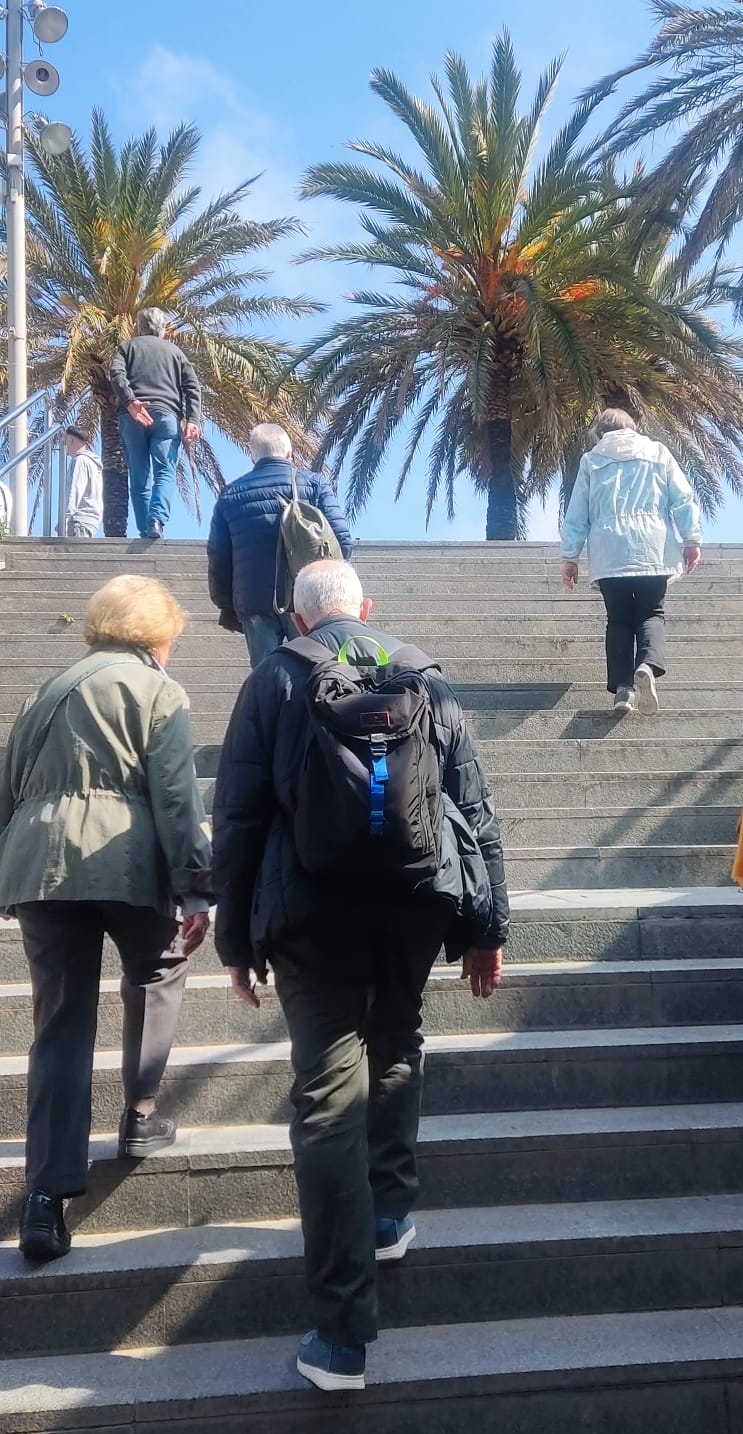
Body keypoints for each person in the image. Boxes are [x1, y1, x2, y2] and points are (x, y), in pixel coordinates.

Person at [212, 559, 508, 1393]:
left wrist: (234, 941)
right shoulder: (423, 675)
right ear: (366, 609)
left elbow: (237, 816)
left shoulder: (276, 678)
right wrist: (488, 929)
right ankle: (389, 1213)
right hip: (417, 901)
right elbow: (473, 806)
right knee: (399, 1036)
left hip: (310, 907)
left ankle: (341, 1337)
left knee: (326, 1095)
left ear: (299, 619)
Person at [0, 575, 212, 1263]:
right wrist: (196, 888)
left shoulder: (43, 691)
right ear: (155, 635)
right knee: (160, 967)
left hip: (41, 864)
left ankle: (45, 1199)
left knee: (60, 1021)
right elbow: (176, 798)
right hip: (126, 860)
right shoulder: (158, 691)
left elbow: (7, 788)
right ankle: (141, 1115)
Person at [560, 409, 703, 715]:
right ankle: (647, 665)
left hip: (609, 551)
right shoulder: (658, 452)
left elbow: (577, 513)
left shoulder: (591, 461)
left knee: (619, 619)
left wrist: (570, 556)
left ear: (600, 432)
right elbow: (683, 498)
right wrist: (691, 539)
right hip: (653, 548)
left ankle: (624, 690)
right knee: (651, 613)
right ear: (633, 428)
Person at [206, 423, 353, 668]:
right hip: (309, 595)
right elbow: (342, 541)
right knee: (315, 669)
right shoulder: (314, 484)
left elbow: (218, 558)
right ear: (289, 452)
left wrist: (227, 604)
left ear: (253, 456)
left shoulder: (230, 495)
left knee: (265, 675)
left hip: (254, 600)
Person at [109, 307, 202, 541]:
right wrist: (193, 419)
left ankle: (144, 531)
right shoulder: (176, 353)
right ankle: (157, 521)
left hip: (133, 417)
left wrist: (130, 401)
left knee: (139, 477)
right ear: (164, 329)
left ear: (137, 327)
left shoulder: (126, 348)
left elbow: (116, 374)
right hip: (167, 416)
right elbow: (192, 387)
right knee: (165, 471)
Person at [64, 425, 103, 538]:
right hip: (90, 520)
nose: (64, 445)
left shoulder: (80, 460)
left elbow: (75, 490)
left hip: (79, 520)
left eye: (65, 440)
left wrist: (65, 518)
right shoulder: (92, 462)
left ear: (71, 440)